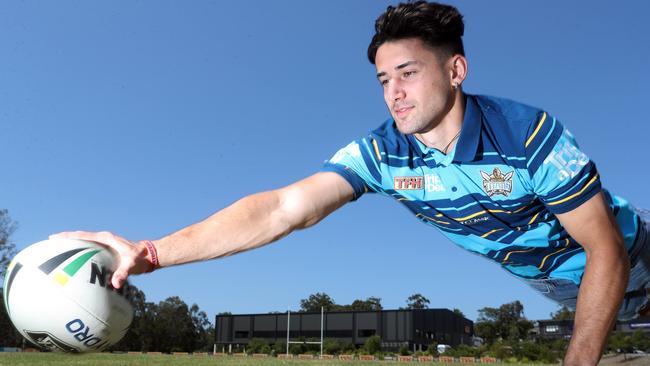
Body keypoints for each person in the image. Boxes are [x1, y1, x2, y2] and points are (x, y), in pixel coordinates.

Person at [54, 2, 648, 365]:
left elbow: (606, 250)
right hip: (571, 294)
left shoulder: (529, 134)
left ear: (455, 70)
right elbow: (282, 208)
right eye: (384, 79)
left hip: (632, 262)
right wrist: (154, 252)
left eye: (408, 73)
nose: (395, 92)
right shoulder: (381, 155)